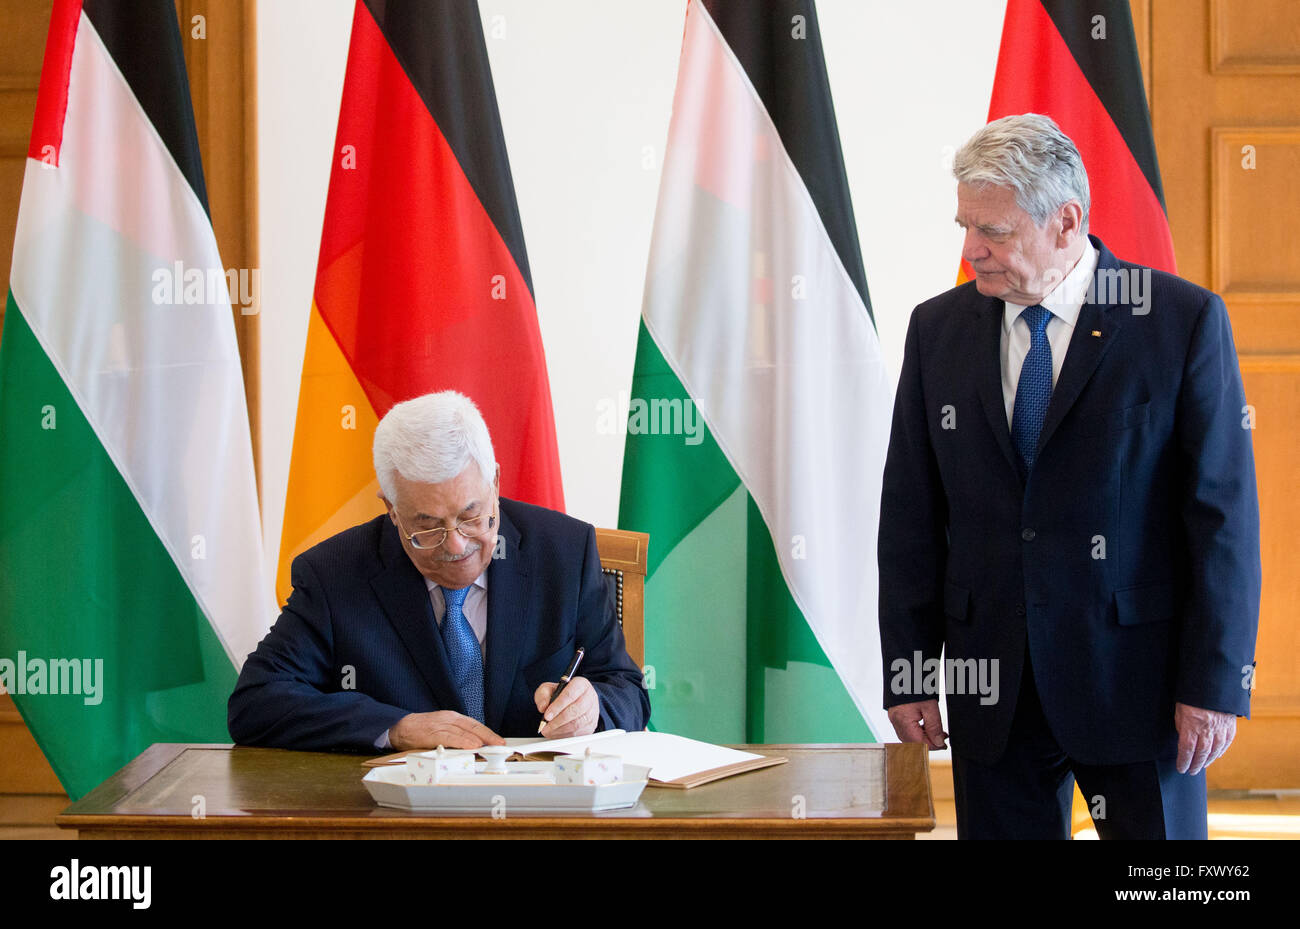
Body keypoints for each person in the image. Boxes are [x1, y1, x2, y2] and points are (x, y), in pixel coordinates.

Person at [878, 114, 1260, 839]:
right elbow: (910, 516)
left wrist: (1214, 683)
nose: (970, 250)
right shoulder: (938, 330)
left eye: (992, 231)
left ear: (1066, 222)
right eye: (964, 225)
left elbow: (1223, 522)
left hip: (1137, 683)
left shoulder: (1179, 322)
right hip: (991, 685)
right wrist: (909, 666)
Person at [229, 391, 649, 752]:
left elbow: (629, 690)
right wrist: (395, 729)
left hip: (541, 816)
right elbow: (256, 703)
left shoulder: (563, 552)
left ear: (496, 485)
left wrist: (593, 707)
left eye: (472, 517)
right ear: (392, 511)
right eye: (427, 526)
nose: (456, 546)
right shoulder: (336, 574)